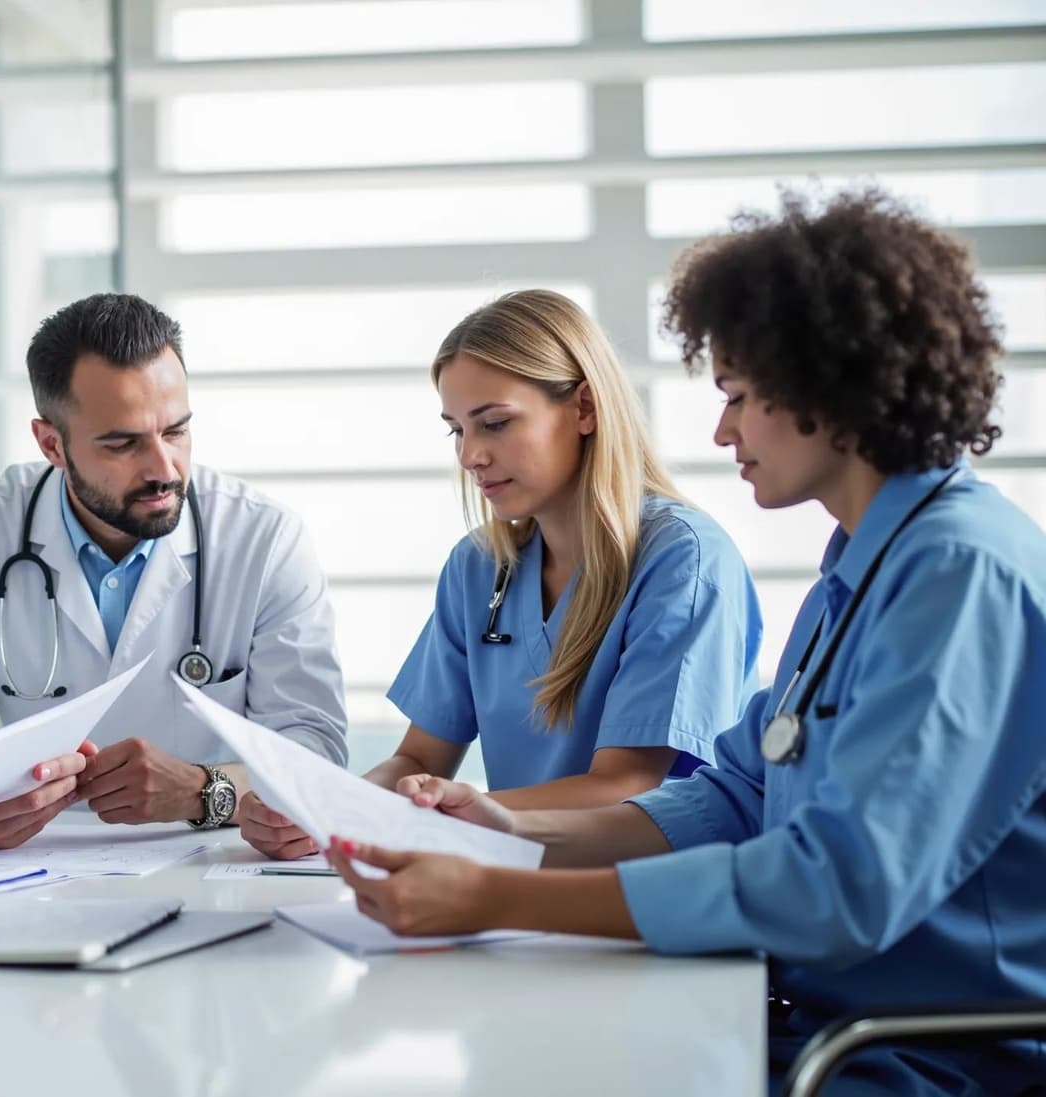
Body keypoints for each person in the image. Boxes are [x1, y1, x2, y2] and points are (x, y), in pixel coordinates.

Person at [324, 188, 1046, 1094]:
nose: (721, 429)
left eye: (740, 396)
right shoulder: (858, 570)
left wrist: (499, 891)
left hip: (921, 1055)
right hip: (800, 1017)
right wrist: (511, 825)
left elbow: (834, 888)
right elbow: (739, 793)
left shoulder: (959, 576)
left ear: (831, 384)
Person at [241, 290, 761, 860]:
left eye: (494, 424)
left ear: (585, 409)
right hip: (513, 877)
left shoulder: (682, 559)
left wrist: (450, 812)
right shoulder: (479, 566)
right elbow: (418, 759)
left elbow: (628, 784)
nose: (470, 456)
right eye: (457, 430)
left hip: (644, 886)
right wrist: (330, 811)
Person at [0, 293, 348, 849]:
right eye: (123, 443)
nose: (163, 468)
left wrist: (205, 791)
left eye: (175, 431)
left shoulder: (263, 538)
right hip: (27, 867)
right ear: (52, 444)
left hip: (211, 857)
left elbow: (313, 750)